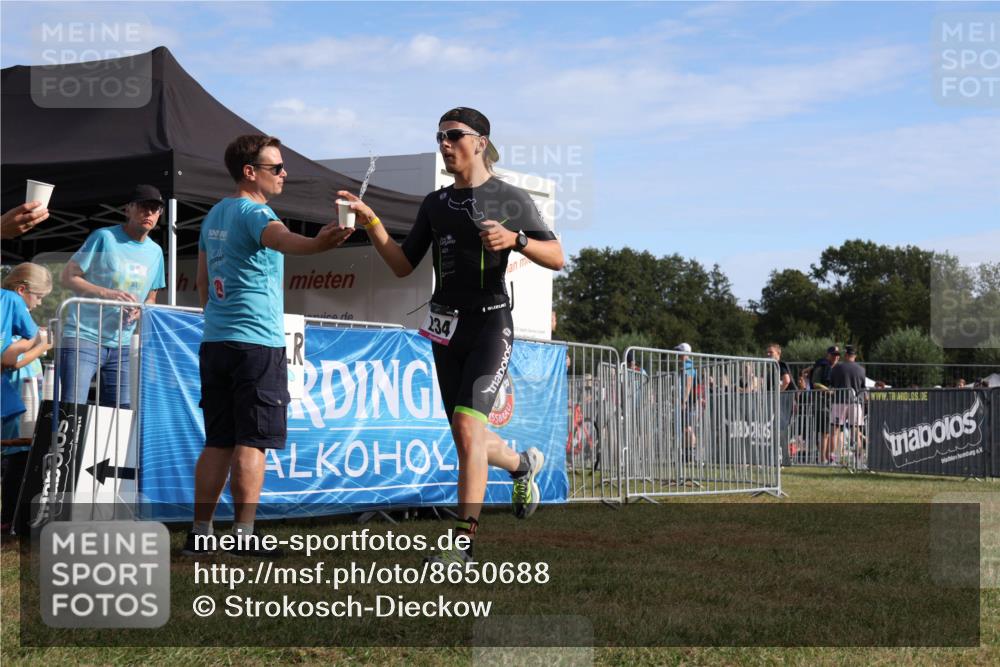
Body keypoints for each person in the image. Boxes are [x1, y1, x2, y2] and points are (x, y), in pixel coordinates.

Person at [340, 108, 564, 564]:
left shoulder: (509, 196)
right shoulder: (435, 204)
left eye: (453, 135)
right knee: (468, 436)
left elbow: (558, 256)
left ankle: (462, 543)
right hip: (447, 328)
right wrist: (371, 223)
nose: (444, 143)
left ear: (479, 142)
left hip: (490, 324)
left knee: (467, 428)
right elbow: (403, 266)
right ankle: (522, 465)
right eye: (439, 136)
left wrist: (516, 240)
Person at [183, 134, 351, 558]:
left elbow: (203, 283)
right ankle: (243, 535)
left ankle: (200, 534)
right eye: (276, 167)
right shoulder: (255, 211)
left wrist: (220, 319)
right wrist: (319, 244)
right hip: (256, 343)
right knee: (251, 441)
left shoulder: (214, 214)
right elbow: (282, 239)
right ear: (250, 172)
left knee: (218, 440)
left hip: (216, 340)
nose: (284, 174)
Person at [59, 185, 167, 408]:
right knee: (73, 409)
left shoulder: (156, 251)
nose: (149, 213)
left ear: (159, 215)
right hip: (83, 335)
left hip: (123, 344)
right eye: (143, 207)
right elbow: (68, 277)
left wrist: (141, 310)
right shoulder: (104, 237)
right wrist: (108, 294)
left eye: (155, 209)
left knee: (121, 415)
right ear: (128, 209)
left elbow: (152, 298)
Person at [1, 263, 53, 530]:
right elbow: (10, 360)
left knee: (19, 449)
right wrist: (42, 344)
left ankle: (11, 516)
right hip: (15, 390)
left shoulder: (6, 303)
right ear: (22, 290)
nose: (39, 303)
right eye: (38, 297)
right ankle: (12, 517)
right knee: (20, 449)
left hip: (16, 388)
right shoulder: (10, 300)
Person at [830, 345, 867, 462]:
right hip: (855, 403)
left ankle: (833, 458)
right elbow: (862, 388)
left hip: (839, 401)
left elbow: (833, 384)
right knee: (856, 431)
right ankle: (859, 458)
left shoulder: (837, 368)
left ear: (846, 355)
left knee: (836, 430)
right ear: (855, 356)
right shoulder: (861, 369)